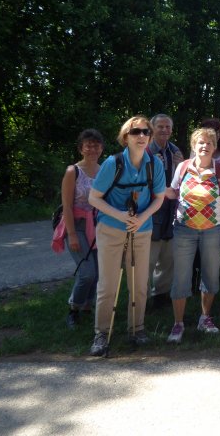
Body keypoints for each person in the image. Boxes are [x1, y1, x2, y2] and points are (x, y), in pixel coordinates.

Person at [87, 116, 166, 356]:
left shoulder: (155, 164)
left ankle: (137, 328)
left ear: (150, 137)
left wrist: (141, 218)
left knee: (140, 284)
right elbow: (94, 198)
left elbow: (159, 198)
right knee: (108, 284)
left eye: (145, 132)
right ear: (126, 137)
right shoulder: (114, 163)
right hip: (111, 229)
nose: (141, 136)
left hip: (142, 230)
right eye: (135, 132)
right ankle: (102, 333)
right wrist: (122, 216)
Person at [165, 128, 220, 342]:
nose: (204, 146)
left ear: (215, 148)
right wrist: (153, 191)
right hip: (184, 229)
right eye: (200, 143)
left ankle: (205, 318)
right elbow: (172, 192)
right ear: (194, 146)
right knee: (181, 277)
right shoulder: (183, 167)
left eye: (209, 143)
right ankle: (178, 324)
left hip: (213, 230)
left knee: (211, 275)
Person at [52, 129, 104, 329]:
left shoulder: (104, 170)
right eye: (88, 145)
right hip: (78, 226)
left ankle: (87, 308)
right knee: (87, 273)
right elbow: (66, 206)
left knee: (98, 273)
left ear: (101, 148)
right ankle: (73, 309)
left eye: (96, 145)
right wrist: (72, 234)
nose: (92, 149)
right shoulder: (72, 171)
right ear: (81, 148)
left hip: (99, 226)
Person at [147, 113, 184, 308]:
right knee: (148, 258)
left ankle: (161, 294)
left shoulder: (175, 151)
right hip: (150, 210)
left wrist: (181, 166)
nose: (164, 130)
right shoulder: (144, 151)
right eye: (160, 126)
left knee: (168, 257)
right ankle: (141, 299)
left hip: (171, 210)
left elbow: (184, 180)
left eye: (167, 127)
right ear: (152, 129)